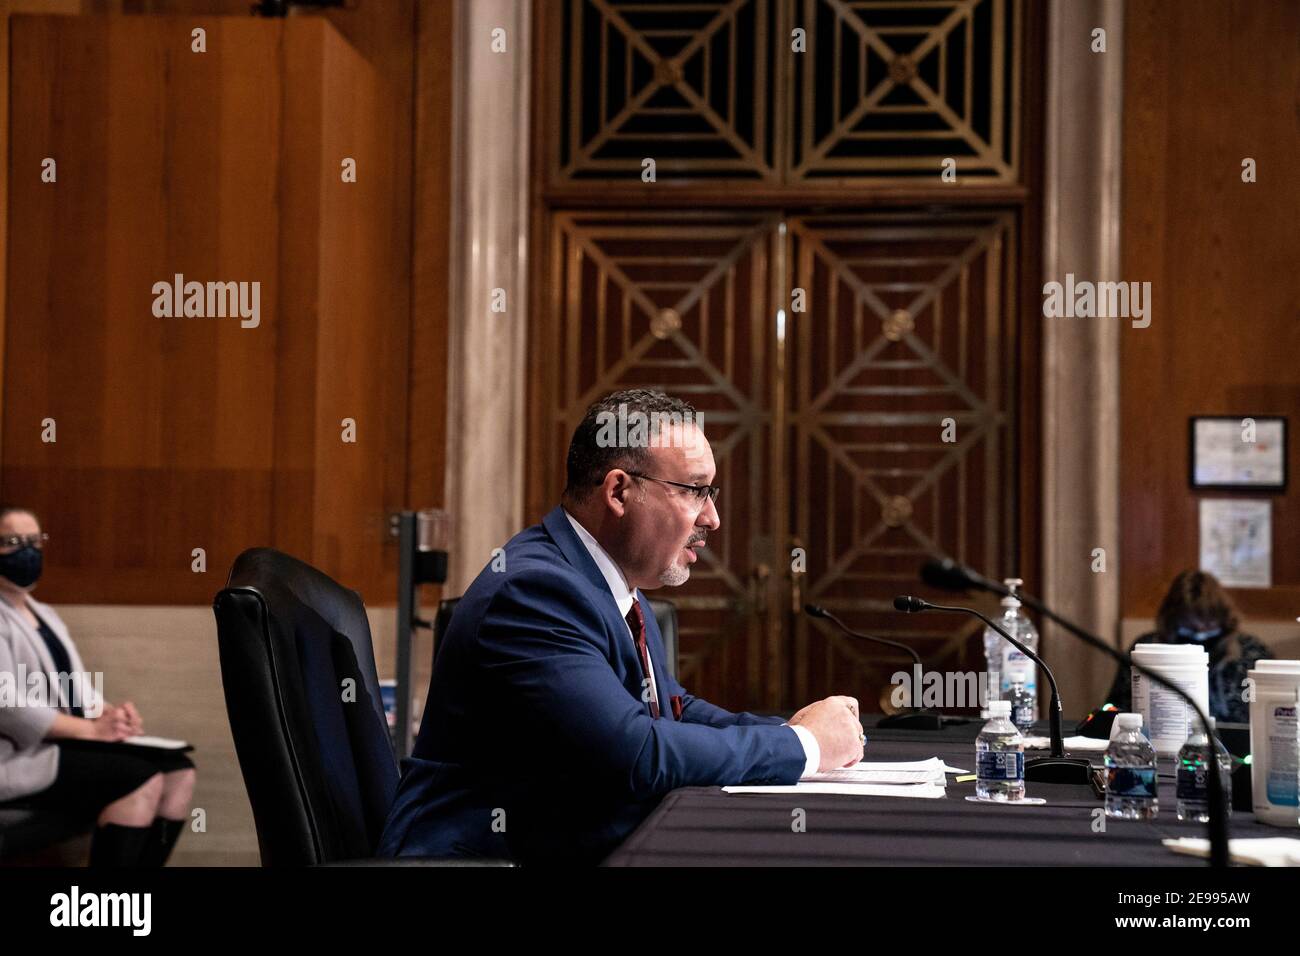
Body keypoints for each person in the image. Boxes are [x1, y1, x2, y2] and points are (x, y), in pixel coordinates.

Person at [379, 389, 864, 864]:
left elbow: (672, 712)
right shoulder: (533, 593)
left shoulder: (614, 587)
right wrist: (803, 746)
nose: (712, 518)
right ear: (618, 492)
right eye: (695, 491)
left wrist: (790, 731)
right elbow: (635, 751)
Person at [0, 505, 197, 866]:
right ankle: (105, 910)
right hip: (17, 758)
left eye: (34, 541)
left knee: (179, 769)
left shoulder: (44, 613)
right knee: (140, 778)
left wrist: (110, 715)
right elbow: (7, 704)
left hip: (63, 744)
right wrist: (91, 730)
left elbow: (77, 687)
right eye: (12, 541)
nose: (26, 550)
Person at [1104, 569, 1273, 724]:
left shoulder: (1250, 651)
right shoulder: (1147, 649)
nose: (1199, 631)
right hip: (1159, 737)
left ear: (1223, 616)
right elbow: (1115, 707)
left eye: (1208, 623)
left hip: (1236, 748)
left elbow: (1269, 712)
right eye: (1190, 624)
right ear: (1173, 617)